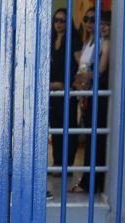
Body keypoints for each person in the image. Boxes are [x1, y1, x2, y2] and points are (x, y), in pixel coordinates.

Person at [71, 8, 110, 194]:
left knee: (95, 139)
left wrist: (84, 76)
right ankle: (88, 181)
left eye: (95, 20)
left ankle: (91, 183)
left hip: (97, 96)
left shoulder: (104, 43)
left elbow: (100, 71)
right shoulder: (89, 42)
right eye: (87, 19)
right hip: (86, 94)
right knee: (90, 138)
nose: (90, 23)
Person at [49, 7, 77, 193]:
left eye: (63, 21)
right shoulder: (50, 39)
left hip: (66, 90)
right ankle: (58, 163)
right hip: (52, 91)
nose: (59, 24)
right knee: (56, 128)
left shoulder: (73, 41)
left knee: (69, 127)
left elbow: (77, 66)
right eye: (57, 20)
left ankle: (66, 165)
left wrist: (66, 85)